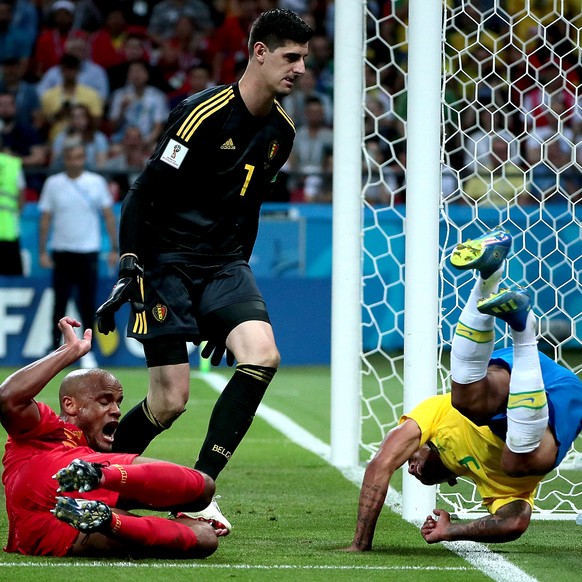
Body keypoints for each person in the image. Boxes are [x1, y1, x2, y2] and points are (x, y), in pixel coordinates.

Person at [95, 8, 313, 529]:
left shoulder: (282, 132)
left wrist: (229, 303)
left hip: (225, 264)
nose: (301, 69)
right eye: (291, 57)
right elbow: (143, 192)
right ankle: (95, 476)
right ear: (259, 52)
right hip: (165, 262)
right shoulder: (202, 112)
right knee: (170, 401)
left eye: (304, 59)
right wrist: (130, 263)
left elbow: (250, 208)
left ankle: (198, 489)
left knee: (262, 356)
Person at [346, 227, 582, 550]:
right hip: (547, 407)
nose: (411, 468)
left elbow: (381, 463)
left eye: (411, 461)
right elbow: (514, 522)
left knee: (465, 400)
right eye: (413, 471)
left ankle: (489, 278)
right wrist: (449, 531)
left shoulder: (433, 415)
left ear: (424, 444)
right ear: (453, 477)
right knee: (515, 461)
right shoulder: (490, 488)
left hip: (528, 374)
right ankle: (520, 321)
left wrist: (361, 544)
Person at [0, 315, 220, 557]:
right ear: (70, 405)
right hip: (73, 473)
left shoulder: (49, 439)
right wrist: (68, 351)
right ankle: (101, 478)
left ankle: (106, 519)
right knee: (204, 487)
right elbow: (7, 398)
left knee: (206, 537)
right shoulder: (48, 430)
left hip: (47, 530)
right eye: (105, 401)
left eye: (118, 403)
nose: (116, 410)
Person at [38, 143, 118, 362]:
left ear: (84, 158)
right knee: (60, 303)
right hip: (62, 251)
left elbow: (108, 215)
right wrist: (42, 250)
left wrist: (114, 247)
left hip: (88, 251)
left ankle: (87, 349)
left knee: (88, 302)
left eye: (79, 157)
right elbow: (45, 219)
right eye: (71, 157)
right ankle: (56, 348)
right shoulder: (53, 184)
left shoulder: (96, 182)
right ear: (65, 159)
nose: (76, 162)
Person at [0, 148, 26, 275]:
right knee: (12, 278)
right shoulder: (13, 164)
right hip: (9, 229)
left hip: (9, 233)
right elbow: (22, 198)